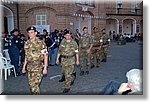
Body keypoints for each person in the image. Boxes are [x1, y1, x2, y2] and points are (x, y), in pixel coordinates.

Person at [22, 26, 48, 95]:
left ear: (35, 33)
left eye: (32, 32)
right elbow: (26, 56)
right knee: (31, 85)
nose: (30, 34)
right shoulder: (26, 43)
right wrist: (24, 67)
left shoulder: (41, 43)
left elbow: (45, 55)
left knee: (34, 86)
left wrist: (45, 68)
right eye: (29, 33)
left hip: (38, 66)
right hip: (30, 67)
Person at [56, 29, 79, 93]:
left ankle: (67, 87)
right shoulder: (63, 42)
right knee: (64, 72)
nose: (68, 37)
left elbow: (77, 52)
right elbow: (59, 51)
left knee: (68, 74)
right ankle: (73, 75)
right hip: (63, 60)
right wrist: (57, 59)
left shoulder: (74, 42)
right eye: (67, 35)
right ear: (64, 36)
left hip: (71, 60)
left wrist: (77, 60)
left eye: (69, 35)